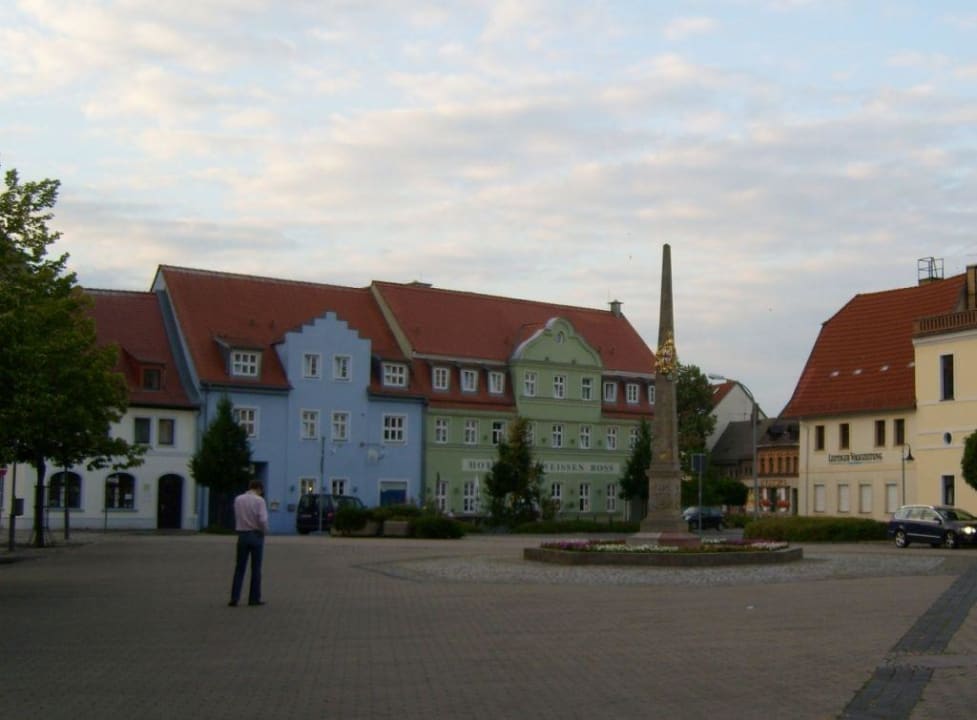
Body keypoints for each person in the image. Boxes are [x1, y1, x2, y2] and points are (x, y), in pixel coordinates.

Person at [229, 479, 270, 607]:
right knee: (256, 568)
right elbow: (262, 519)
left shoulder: (238, 499)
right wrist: (265, 531)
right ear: (259, 489)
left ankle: (234, 597)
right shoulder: (260, 501)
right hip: (256, 534)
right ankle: (254, 598)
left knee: (239, 568)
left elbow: (237, 515)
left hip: (242, 534)